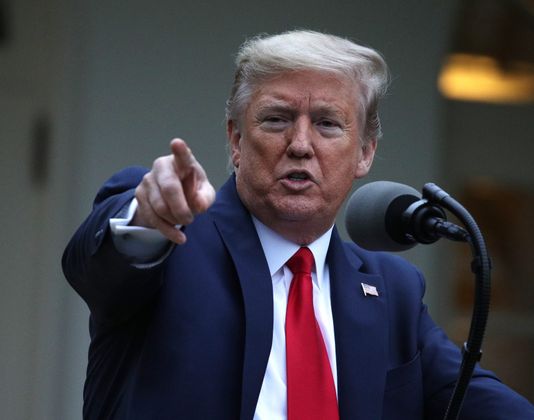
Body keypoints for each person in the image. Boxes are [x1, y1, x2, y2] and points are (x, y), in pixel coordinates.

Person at [62, 30, 534, 419]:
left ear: (365, 151)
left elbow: (483, 405)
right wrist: (148, 218)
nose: (301, 144)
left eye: (328, 124)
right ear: (235, 140)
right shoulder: (173, 239)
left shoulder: (394, 293)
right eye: (276, 119)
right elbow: (95, 263)